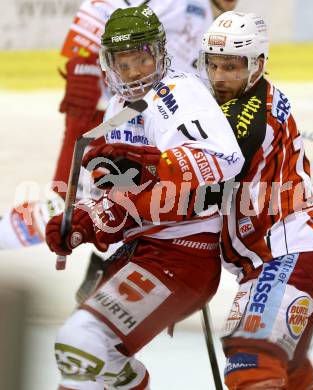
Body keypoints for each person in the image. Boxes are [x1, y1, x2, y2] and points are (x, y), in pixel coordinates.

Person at [45, 6, 244, 389]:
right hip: (144, 251)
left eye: (142, 58)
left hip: (183, 254)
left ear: (159, 53)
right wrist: (86, 222)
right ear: (109, 64)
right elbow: (125, 197)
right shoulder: (120, 108)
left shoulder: (178, 93)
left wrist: (155, 165)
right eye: (124, 62)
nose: (135, 71)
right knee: (92, 356)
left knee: (81, 343)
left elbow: (224, 158)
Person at [0, 0, 239, 252]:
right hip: (129, 111)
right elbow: (86, 56)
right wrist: (64, 187)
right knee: (110, 193)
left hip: (168, 121)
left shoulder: (203, 15)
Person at [198, 11, 313, 389]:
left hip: (287, 253)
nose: (220, 77)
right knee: (290, 377)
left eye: (231, 66)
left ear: (258, 63)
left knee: (251, 362)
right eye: (213, 65)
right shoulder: (253, 93)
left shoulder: (247, 115)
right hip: (295, 251)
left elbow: (196, 178)